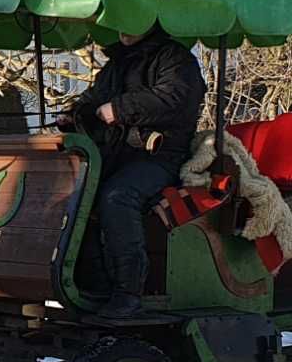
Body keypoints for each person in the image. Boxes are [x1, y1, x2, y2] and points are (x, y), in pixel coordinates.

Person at [57, 27, 207, 324]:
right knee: (73, 196)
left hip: (162, 157)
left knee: (118, 197)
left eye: (131, 21)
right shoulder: (117, 63)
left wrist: (120, 109)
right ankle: (95, 285)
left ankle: (129, 292)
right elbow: (94, 97)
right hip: (116, 155)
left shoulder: (176, 59)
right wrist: (74, 112)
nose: (124, 29)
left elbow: (173, 98)